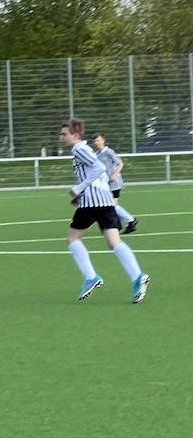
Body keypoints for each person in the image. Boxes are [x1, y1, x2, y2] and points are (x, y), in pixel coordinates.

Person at [59, 120, 149, 303]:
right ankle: (138, 276)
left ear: (75, 135)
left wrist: (80, 188)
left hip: (91, 204)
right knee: (114, 241)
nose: (60, 137)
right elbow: (96, 173)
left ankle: (91, 277)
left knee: (73, 239)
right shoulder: (83, 149)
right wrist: (81, 193)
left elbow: (99, 167)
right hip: (105, 200)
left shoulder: (79, 149)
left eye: (64, 134)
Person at [90, 132, 138, 234]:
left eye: (98, 140)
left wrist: (115, 175)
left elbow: (120, 163)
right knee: (110, 205)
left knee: (112, 205)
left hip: (114, 183)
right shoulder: (97, 154)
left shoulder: (108, 152)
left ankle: (130, 220)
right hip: (106, 183)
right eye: (95, 141)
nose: (96, 143)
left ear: (103, 140)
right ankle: (121, 224)